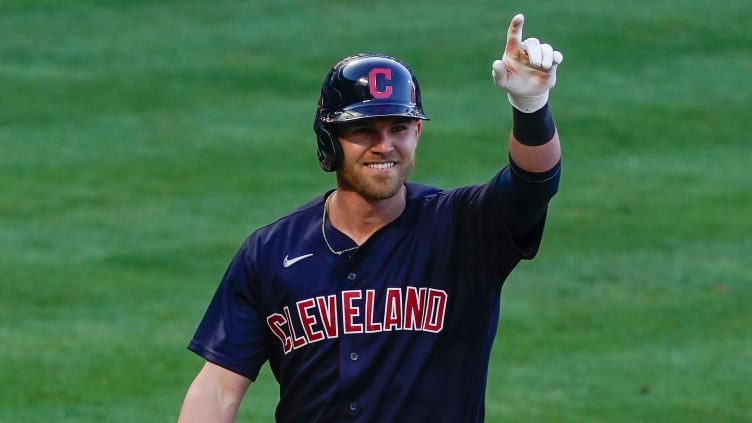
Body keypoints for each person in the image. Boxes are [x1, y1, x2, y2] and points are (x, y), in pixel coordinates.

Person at [177, 13, 564, 423]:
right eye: (364, 130)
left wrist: (531, 107)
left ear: (417, 133)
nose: (384, 146)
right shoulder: (271, 252)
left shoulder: (464, 228)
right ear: (330, 139)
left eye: (398, 128)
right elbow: (218, 388)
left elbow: (534, 182)